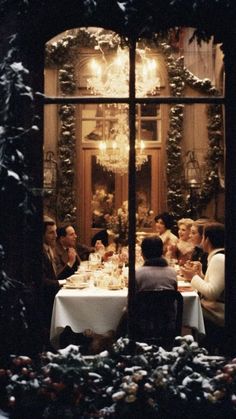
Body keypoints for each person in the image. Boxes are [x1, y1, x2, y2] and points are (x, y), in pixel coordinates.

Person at [181, 222, 225, 350]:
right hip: (214, 308)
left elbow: (212, 293)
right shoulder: (217, 257)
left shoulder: (219, 258)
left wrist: (192, 277)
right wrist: (199, 274)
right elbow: (213, 286)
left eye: (203, 236)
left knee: (184, 308)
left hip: (219, 312)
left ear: (208, 240)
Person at [42, 216, 61, 337]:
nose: (55, 236)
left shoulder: (49, 249)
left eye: (56, 232)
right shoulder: (39, 253)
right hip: (45, 301)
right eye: (51, 233)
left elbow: (54, 276)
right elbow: (41, 281)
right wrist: (62, 283)